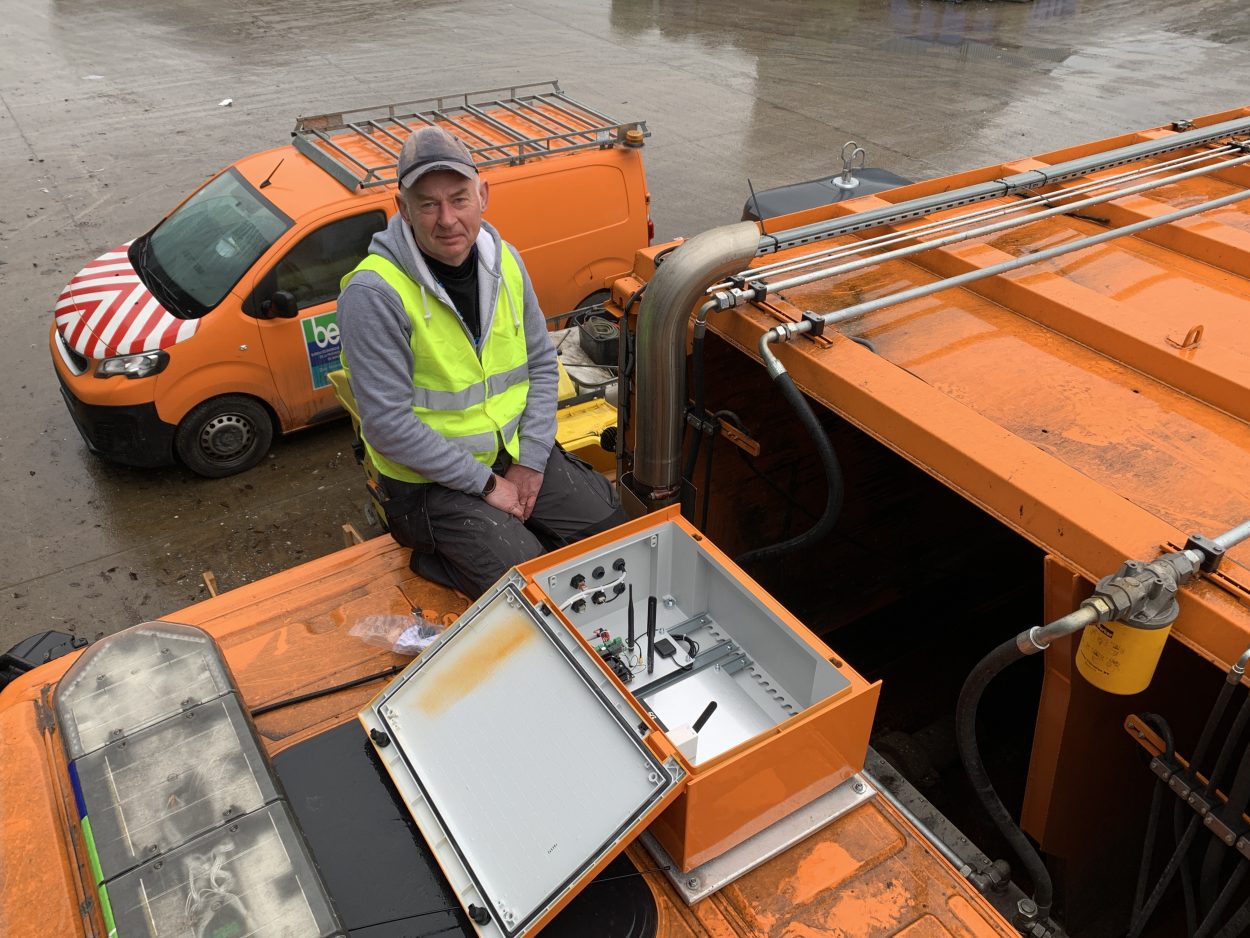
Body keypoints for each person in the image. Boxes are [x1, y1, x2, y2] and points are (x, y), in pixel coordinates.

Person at [337, 126, 626, 597]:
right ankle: (441, 560)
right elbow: (388, 426)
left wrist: (531, 461)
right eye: (428, 204)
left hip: (512, 452)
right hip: (431, 484)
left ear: (483, 195)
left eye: (459, 198)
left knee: (611, 531)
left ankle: (512, 525)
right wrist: (489, 486)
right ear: (402, 208)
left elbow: (539, 364)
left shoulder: (505, 261)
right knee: (524, 582)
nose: (447, 219)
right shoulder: (374, 294)